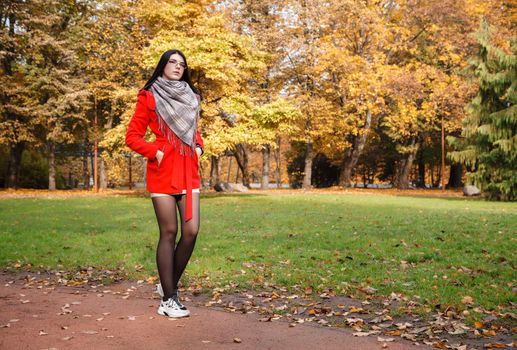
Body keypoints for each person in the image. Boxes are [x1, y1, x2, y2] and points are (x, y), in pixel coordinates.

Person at [125, 49, 204, 318]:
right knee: (169, 233)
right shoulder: (149, 97)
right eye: (172, 62)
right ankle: (169, 299)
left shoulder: (192, 98)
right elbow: (132, 136)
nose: (177, 67)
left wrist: (199, 149)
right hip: (162, 170)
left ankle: (166, 285)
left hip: (188, 170)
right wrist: (155, 151)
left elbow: (194, 131)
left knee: (191, 231)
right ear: (162, 66)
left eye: (182, 64)